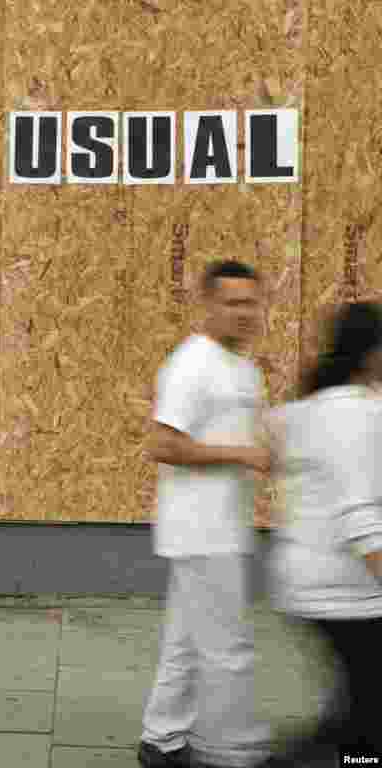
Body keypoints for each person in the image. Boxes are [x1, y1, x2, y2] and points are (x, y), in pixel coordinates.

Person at [138, 260, 276, 768]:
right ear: (209, 306)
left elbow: (246, 438)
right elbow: (162, 443)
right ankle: (234, 753)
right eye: (233, 303)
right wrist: (242, 455)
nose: (245, 313)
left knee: (187, 642)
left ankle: (162, 741)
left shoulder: (244, 367)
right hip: (200, 531)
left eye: (252, 302)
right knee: (227, 647)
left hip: (222, 528)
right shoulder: (192, 363)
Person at [263, 301, 382, 765]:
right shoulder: (355, 414)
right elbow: (359, 515)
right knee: (369, 720)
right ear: (372, 353)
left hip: (309, 580)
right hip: (347, 589)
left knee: (360, 699)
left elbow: (272, 438)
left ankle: (305, 754)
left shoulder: (312, 407)